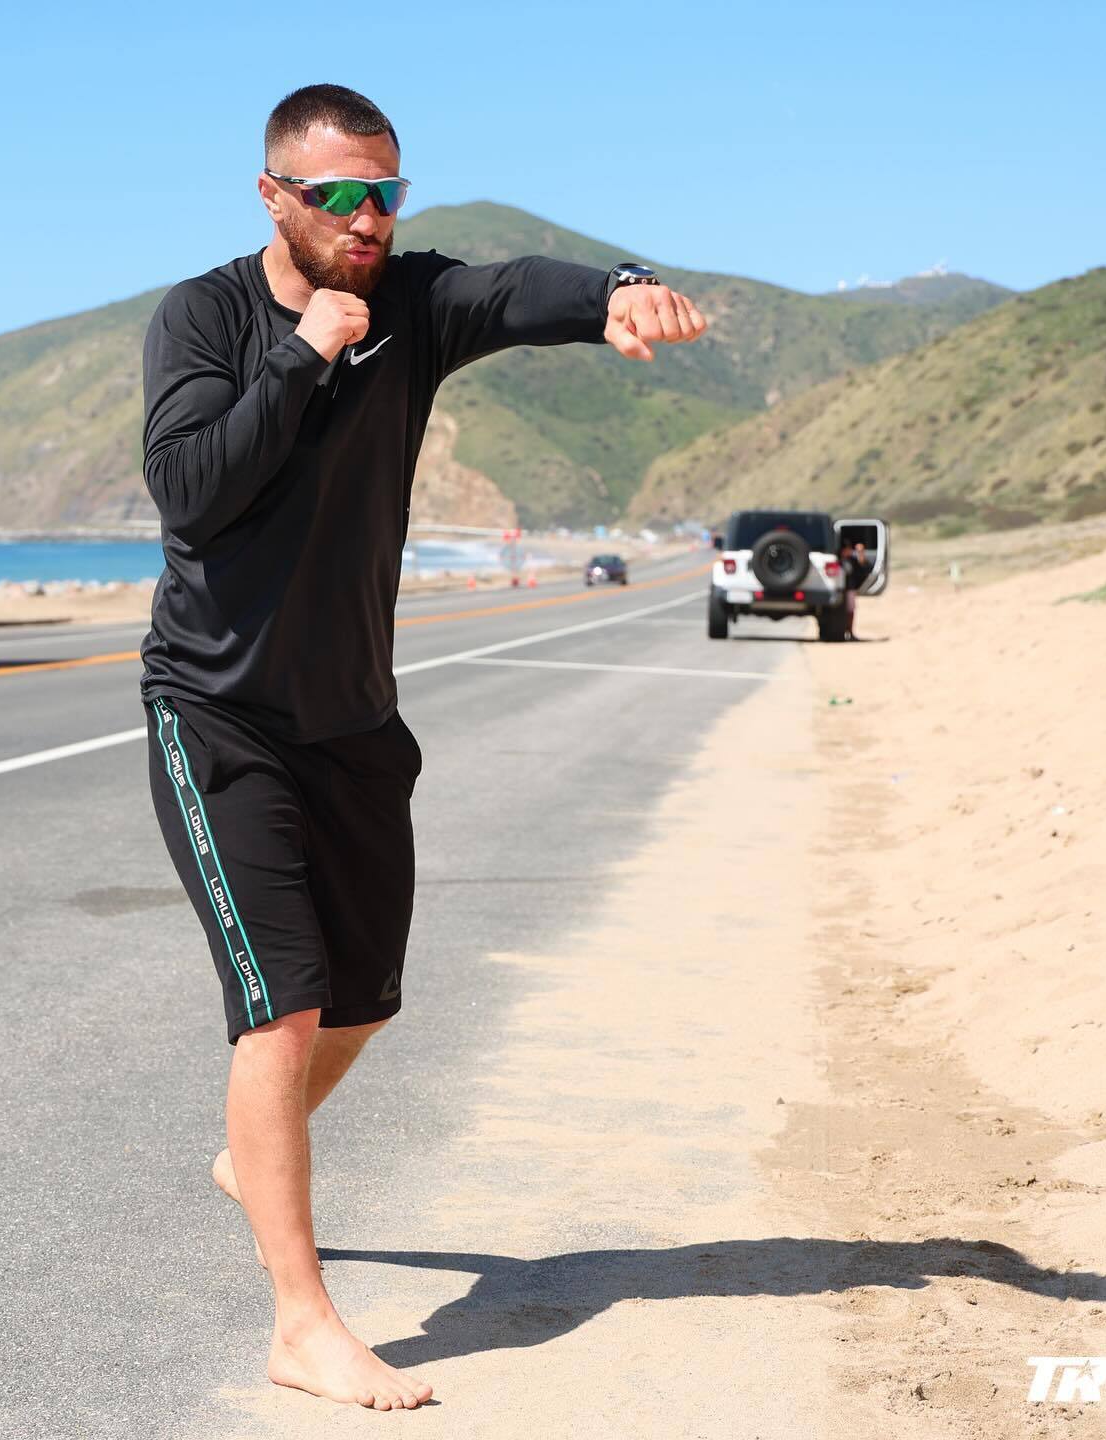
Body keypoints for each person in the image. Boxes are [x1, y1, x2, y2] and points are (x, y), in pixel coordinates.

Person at [137, 83, 707, 1412]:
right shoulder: (207, 319)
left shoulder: (413, 302)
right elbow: (192, 491)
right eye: (343, 195)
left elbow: (515, 292)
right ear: (274, 195)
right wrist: (301, 356)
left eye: (389, 192)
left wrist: (618, 286)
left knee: (366, 1002)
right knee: (279, 1010)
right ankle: (301, 1323)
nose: (371, 218)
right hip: (218, 713)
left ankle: (250, 1150)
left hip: (353, 720)